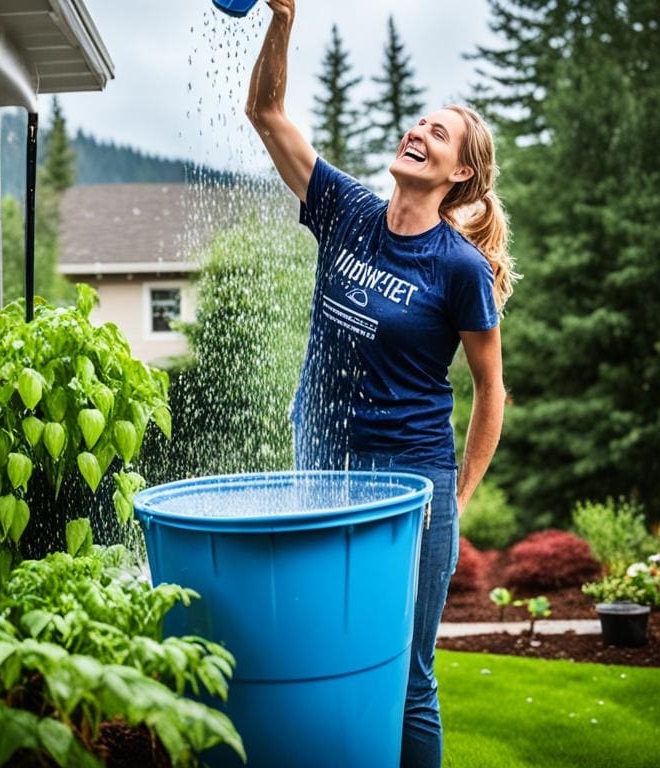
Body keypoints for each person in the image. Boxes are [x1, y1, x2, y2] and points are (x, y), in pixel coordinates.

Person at [246, 2, 515, 767]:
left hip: (409, 480)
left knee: (408, 677)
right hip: (322, 461)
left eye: (439, 133)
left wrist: (457, 500)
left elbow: (491, 392)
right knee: (318, 647)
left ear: (459, 173)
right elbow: (265, 112)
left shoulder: (458, 270)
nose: (419, 133)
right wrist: (284, 18)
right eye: (418, 123)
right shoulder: (344, 210)